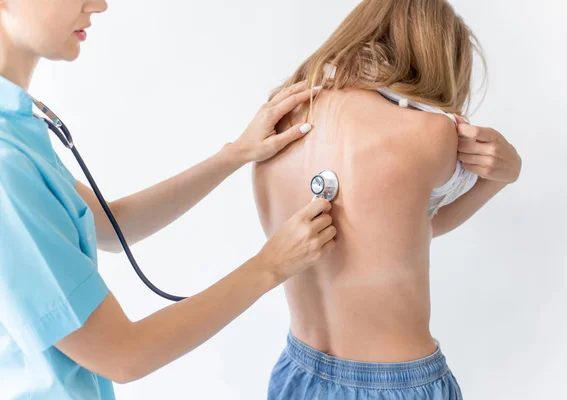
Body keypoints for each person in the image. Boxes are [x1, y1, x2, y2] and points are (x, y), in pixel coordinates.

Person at [0, 1, 338, 399]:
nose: (99, 4)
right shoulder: (6, 165)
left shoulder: (17, 130)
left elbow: (112, 225)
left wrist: (235, 154)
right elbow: (122, 355)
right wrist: (270, 266)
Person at [252, 0, 522, 398]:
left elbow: (399, 232)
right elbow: (426, 226)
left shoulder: (277, 118)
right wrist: (505, 173)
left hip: (297, 372)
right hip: (397, 384)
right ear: (434, 58)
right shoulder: (430, 133)